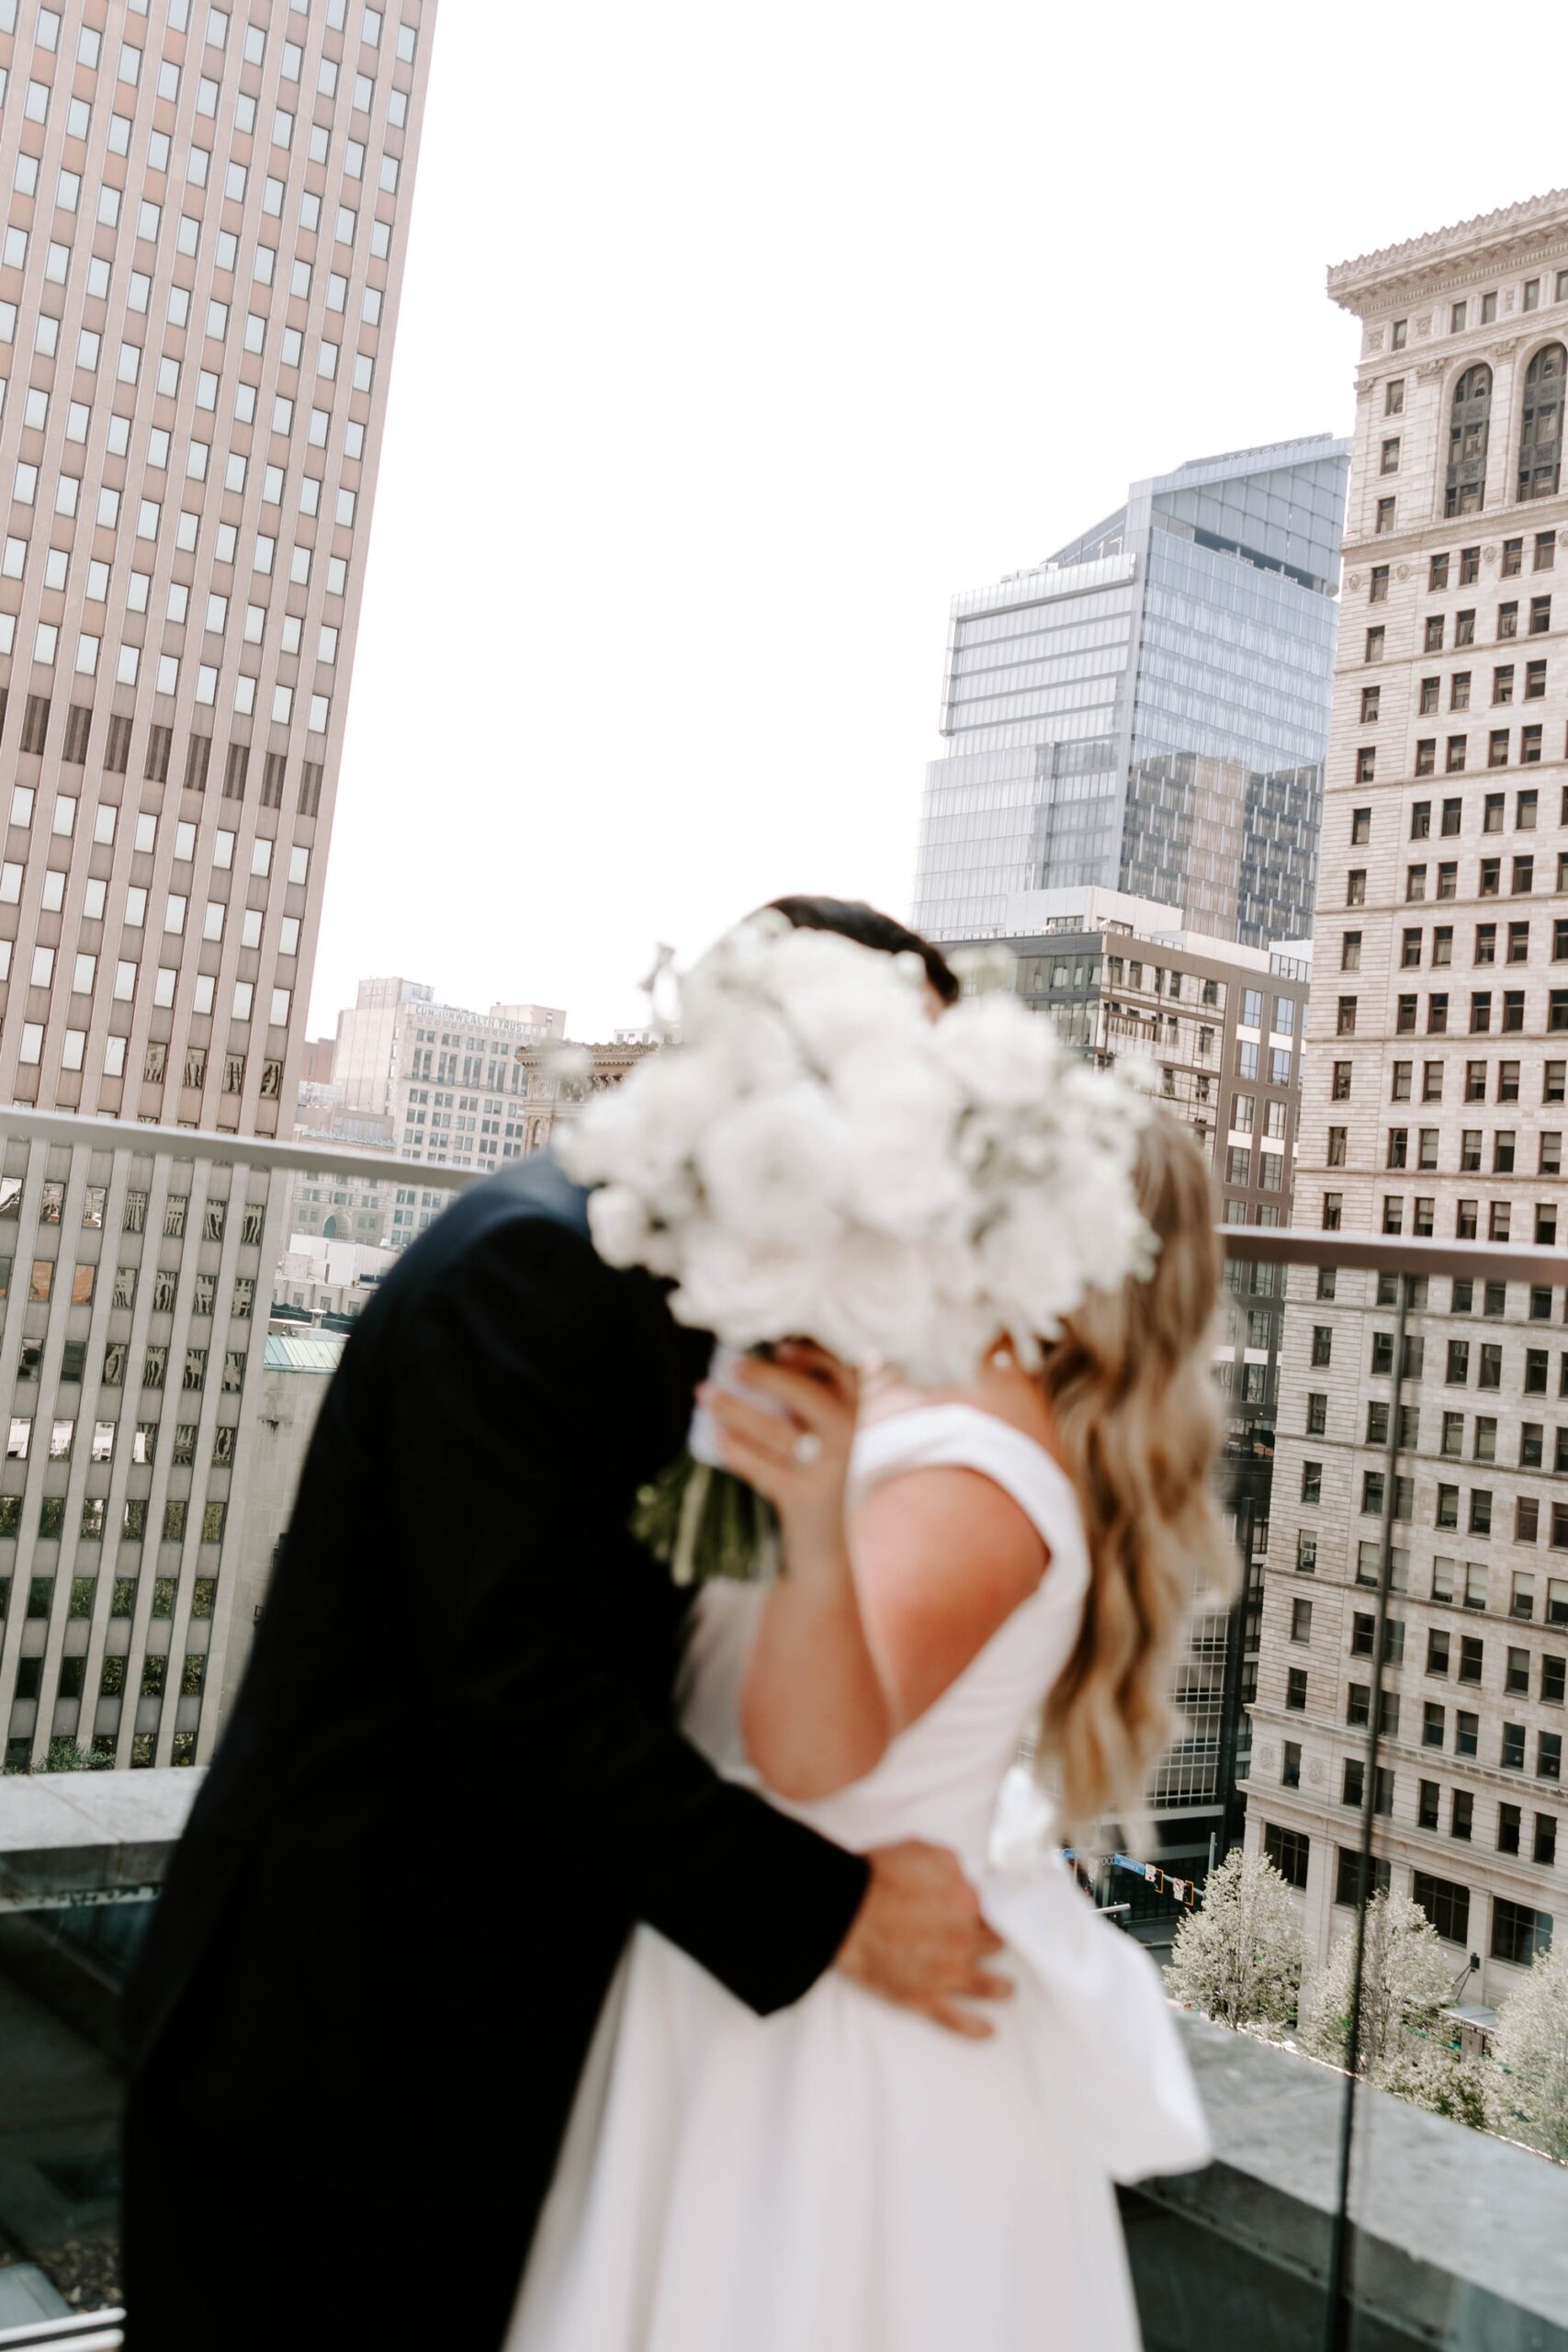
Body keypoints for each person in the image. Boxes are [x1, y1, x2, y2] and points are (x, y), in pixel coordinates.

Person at [120, 899, 1004, 2351]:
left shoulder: (671, 1283)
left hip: (449, 2062)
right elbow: (519, 1697)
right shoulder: (537, 1265)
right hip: (333, 2070)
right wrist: (836, 1910)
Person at [509, 1111, 1230, 2352]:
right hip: (768, 1949)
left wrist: (812, 1516)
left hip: (822, 2024)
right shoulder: (924, 1391)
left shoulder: (977, 1475)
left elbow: (807, 1754)